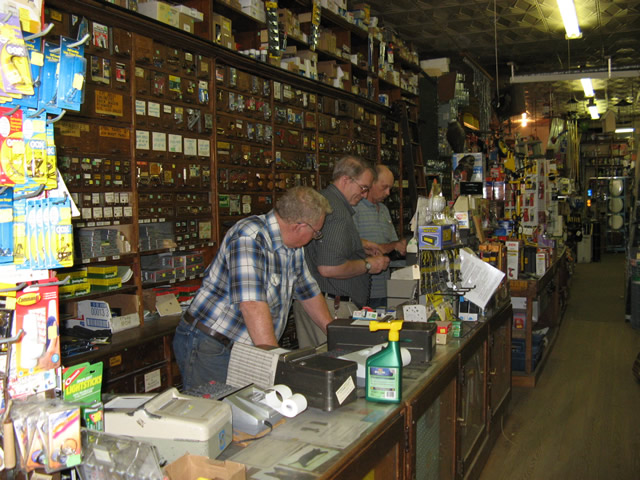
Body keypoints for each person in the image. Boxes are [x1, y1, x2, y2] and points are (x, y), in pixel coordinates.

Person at [173, 186, 334, 389]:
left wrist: (334, 333)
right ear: (299, 226)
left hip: (243, 345)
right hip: (212, 344)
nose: (314, 237)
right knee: (219, 412)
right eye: (316, 232)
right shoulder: (249, 237)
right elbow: (252, 306)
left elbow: (308, 291)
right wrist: (275, 364)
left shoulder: (293, 248)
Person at [294, 155, 390, 348]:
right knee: (335, 365)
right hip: (330, 305)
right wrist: (369, 264)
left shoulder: (326, 200)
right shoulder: (337, 212)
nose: (364, 195)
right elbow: (329, 268)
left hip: (320, 301)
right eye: (363, 188)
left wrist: (358, 243)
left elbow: (323, 241)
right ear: (346, 180)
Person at [354, 165, 407, 308]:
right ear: (371, 183)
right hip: (365, 291)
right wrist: (393, 246)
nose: (388, 193)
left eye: (390, 188)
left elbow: (391, 244)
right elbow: (354, 246)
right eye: (384, 187)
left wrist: (401, 247)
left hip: (386, 289)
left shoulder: (384, 210)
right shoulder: (355, 209)